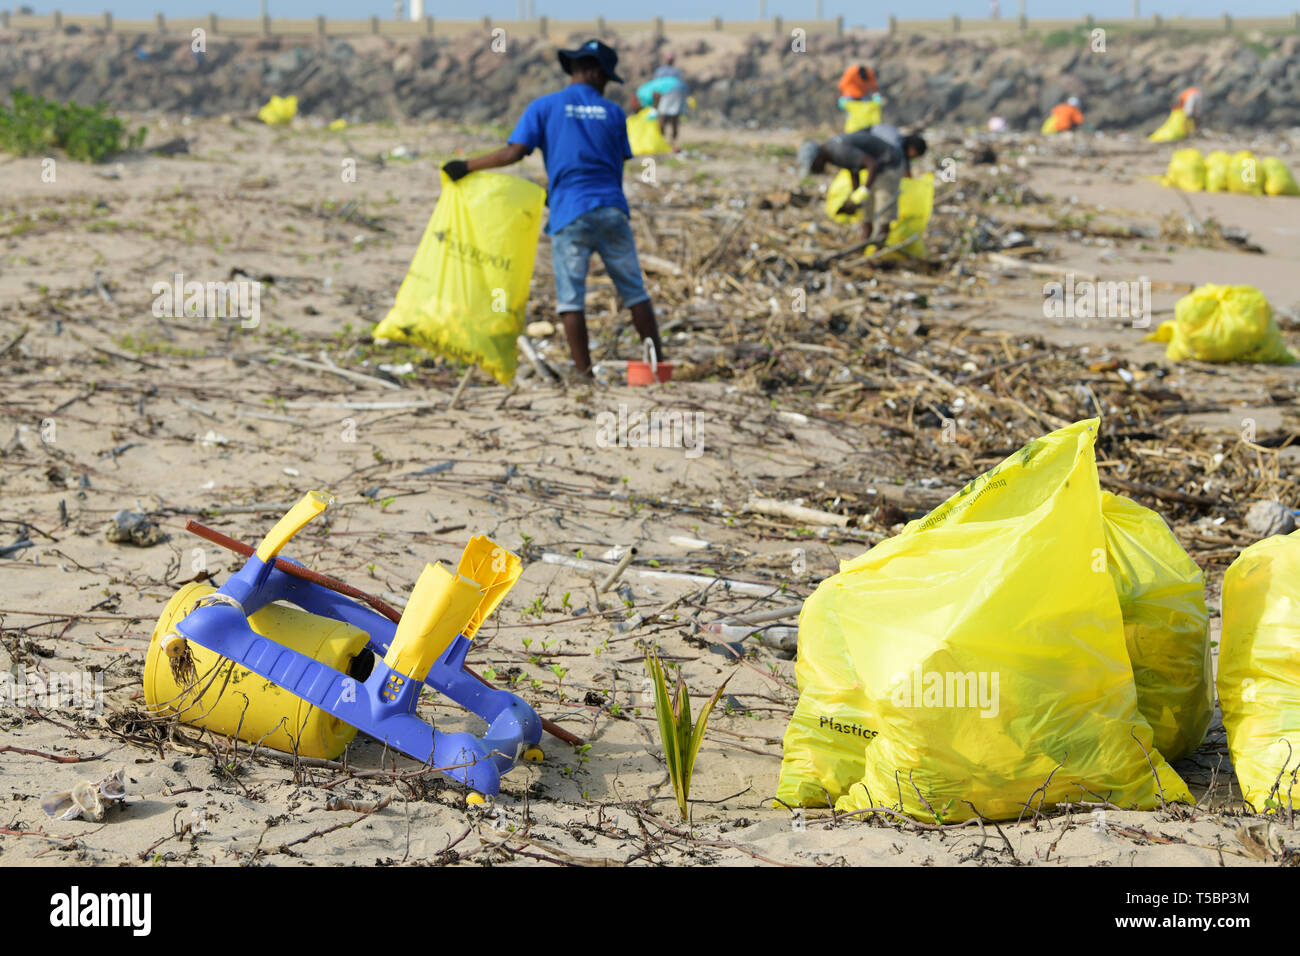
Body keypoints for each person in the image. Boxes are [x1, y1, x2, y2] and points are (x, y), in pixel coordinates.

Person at [442, 39, 664, 381]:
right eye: (605, 77)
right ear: (593, 72)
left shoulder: (545, 106)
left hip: (570, 212)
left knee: (571, 298)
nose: (605, 84)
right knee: (634, 291)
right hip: (611, 209)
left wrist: (467, 166)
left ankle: (584, 374)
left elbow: (515, 152)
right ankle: (656, 368)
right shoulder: (614, 113)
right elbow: (614, 166)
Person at [799, 125, 927, 242]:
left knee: (883, 211)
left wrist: (864, 190)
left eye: (812, 166)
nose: (814, 170)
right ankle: (864, 247)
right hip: (878, 167)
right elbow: (853, 168)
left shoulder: (838, 150)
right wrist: (856, 196)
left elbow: (872, 164)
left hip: (890, 165)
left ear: (817, 157)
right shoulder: (832, 151)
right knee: (867, 211)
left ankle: (876, 253)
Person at [650, 51, 688, 145]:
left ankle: (662, 140)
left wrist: (655, 105)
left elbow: (656, 87)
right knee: (674, 118)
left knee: (662, 117)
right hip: (678, 94)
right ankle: (672, 141)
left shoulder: (660, 71)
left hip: (666, 94)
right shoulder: (676, 72)